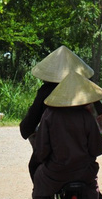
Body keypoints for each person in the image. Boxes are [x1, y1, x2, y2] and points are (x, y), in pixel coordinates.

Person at [31, 72, 102, 199]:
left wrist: (44, 160)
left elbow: (42, 148)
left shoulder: (49, 115)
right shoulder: (86, 117)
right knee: (92, 184)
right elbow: (96, 148)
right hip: (83, 171)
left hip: (56, 171)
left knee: (38, 185)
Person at [20, 45, 94, 180]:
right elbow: (100, 117)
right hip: (83, 152)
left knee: (34, 166)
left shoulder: (45, 91)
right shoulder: (85, 90)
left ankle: (46, 198)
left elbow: (33, 117)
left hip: (55, 151)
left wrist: (25, 129)